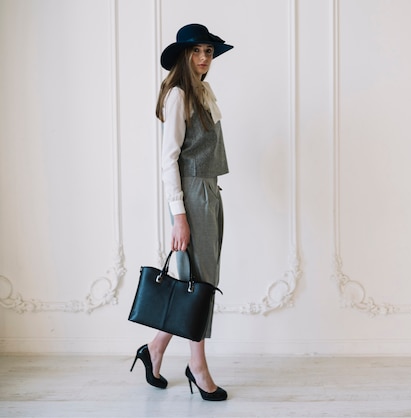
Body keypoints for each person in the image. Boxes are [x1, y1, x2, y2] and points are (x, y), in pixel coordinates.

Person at [130, 23, 234, 402]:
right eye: (197, 51)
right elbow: (168, 160)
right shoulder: (178, 96)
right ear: (183, 56)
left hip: (209, 190)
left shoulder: (204, 91)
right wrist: (179, 215)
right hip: (191, 194)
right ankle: (197, 366)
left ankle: (155, 348)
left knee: (197, 280)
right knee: (201, 282)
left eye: (208, 51)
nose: (204, 58)